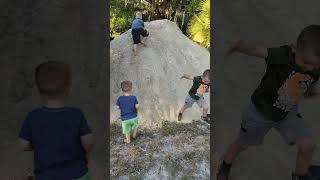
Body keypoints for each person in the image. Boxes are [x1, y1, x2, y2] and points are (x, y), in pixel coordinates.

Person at [216, 25, 320, 180]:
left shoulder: (314, 67)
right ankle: (226, 164)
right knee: (242, 143)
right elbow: (257, 49)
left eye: (316, 65)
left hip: (287, 113)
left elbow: (311, 81)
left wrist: (311, 91)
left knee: (308, 145)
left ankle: (300, 175)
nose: (310, 68)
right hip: (259, 113)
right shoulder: (283, 56)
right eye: (306, 62)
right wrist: (238, 45)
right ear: (295, 48)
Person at [18, 61, 94, 180]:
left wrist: (35, 143)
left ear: (36, 89)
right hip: (77, 175)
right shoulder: (77, 114)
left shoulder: (32, 117)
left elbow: (23, 145)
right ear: (69, 88)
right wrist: (89, 129)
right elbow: (88, 144)